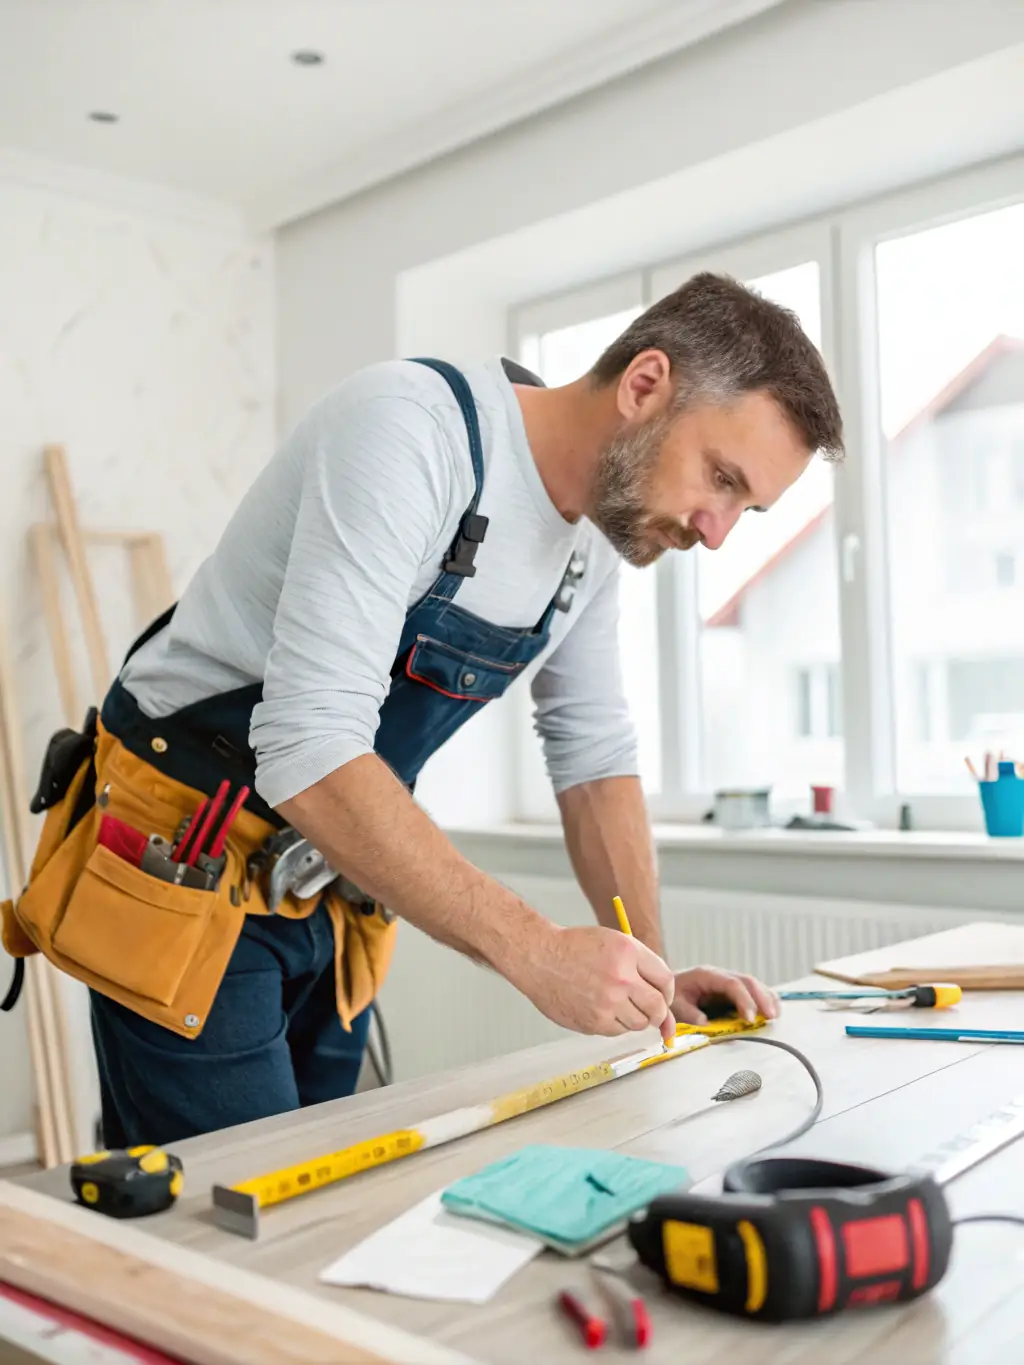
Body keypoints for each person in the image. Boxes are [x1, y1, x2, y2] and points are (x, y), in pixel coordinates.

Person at [3, 271, 843, 1147]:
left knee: (330, 1181)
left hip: (331, 880)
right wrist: (535, 949)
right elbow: (309, 745)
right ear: (644, 384)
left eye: (747, 509)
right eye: (721, 478)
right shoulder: (411, 432)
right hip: (183, 853)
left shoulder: (590, 548)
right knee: (226, 1197)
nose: (717, 531)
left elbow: (594, 760)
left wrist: (653, 978)